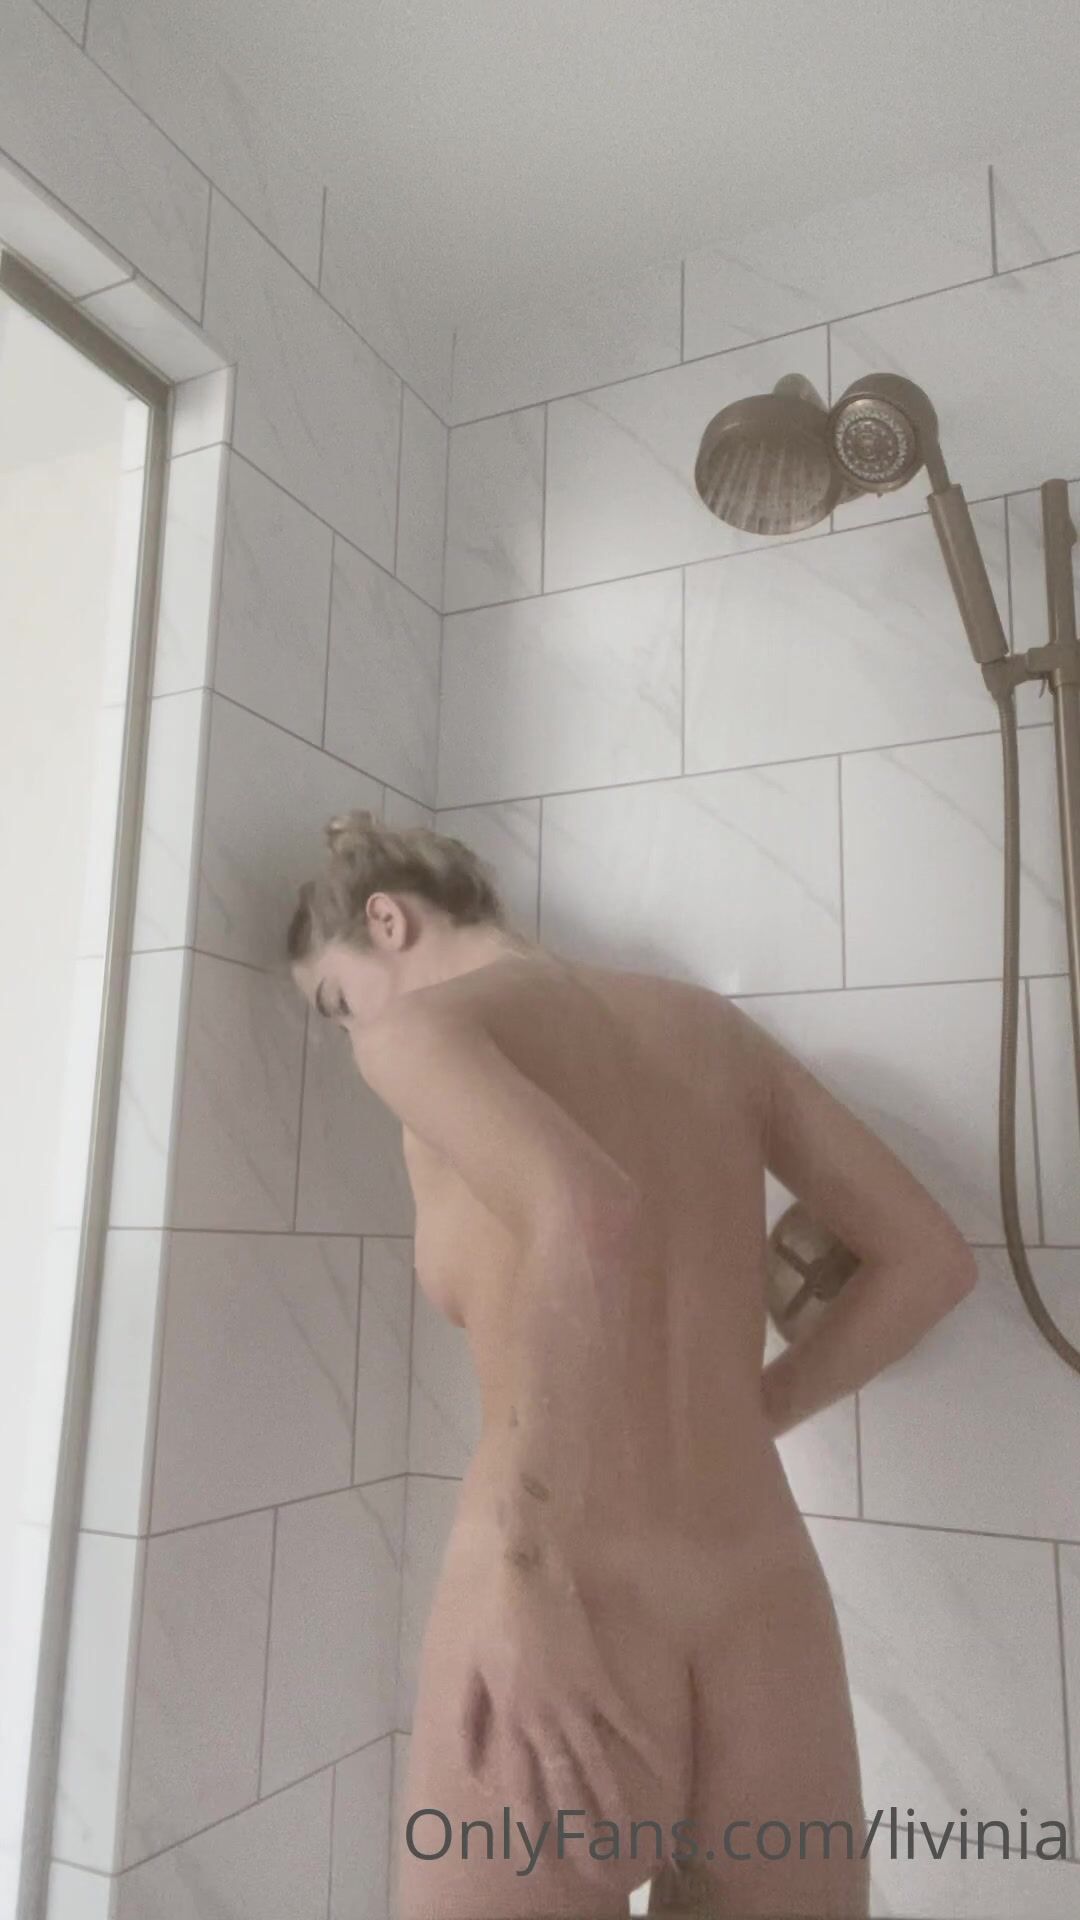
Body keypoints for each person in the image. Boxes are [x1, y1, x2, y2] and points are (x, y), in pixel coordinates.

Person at [287, 809, 977, 1920]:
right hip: (763, 1612)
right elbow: (930, 1262)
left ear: (388, 921)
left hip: (563, 1612)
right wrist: (750, 1412)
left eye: (335, 1000)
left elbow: (586, 1209)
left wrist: (527, 1573)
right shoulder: (710, 1029)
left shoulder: (419, 1035)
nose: (348, 1029)